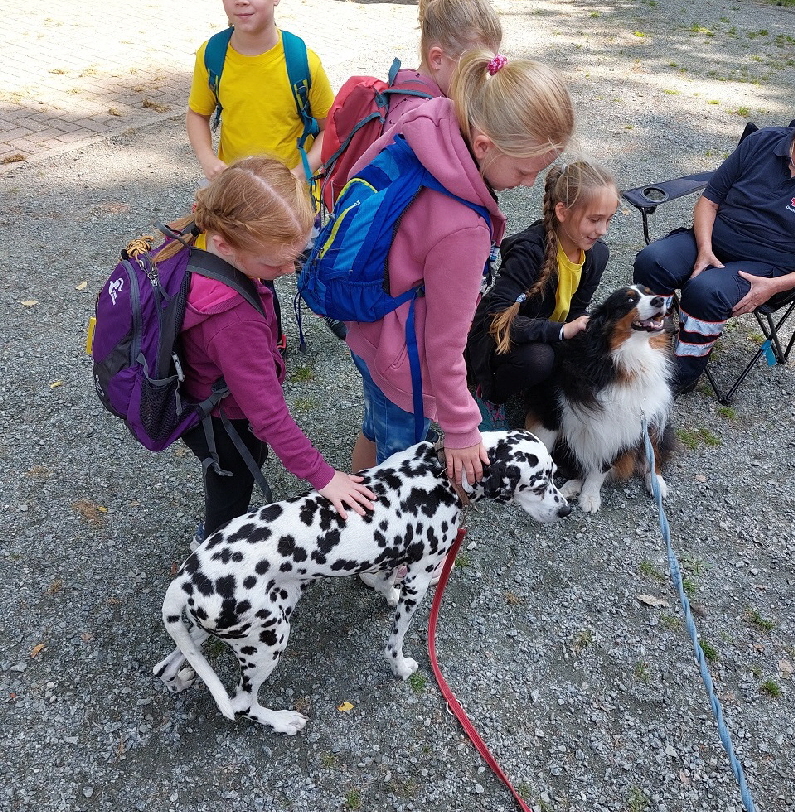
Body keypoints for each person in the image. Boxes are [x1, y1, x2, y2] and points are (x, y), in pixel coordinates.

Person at [346, 49, 575, 487]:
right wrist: (460, 427)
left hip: (366, 324)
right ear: (485, 144)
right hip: (404, 362)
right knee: (399, 484)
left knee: (375, 425)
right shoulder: (464, 228)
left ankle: (350, 507)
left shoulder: (426, 122)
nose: (529, 184)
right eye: (526, 170)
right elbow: (445, 343)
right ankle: (383, 550)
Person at [156, 157, 375, 549]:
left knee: (243, 461)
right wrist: (325, 477)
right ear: (226, 244)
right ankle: (212, 552)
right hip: (222, 415)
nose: (291, 270)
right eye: (277, 262)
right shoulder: (232, 322)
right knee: (233, 480)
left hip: (212, 395)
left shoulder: (202, 239)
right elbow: (270, 416)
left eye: (297, 255)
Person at [633, 59, 795, 395]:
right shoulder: (762, 143)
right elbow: (710, 199)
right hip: (714, 239)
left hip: (769, 266)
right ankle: (648, 345)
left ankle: (678, 375)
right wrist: (705, 247)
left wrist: (778, 284)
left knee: (705, 291)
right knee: (653, 260)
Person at [466, 161, 618, 416]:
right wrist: (560, 331)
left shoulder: (596, 255)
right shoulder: (529, 252)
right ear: (562, 211)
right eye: (594, 220)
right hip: (495, 341)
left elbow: (576, 309)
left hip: (543, 332)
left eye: (608, 220)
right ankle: (489, 394)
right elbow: (497, 318)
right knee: (539, 359)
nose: (602, 230)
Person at [186, 0, 334, 185]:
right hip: (235, 190)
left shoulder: (302, 62)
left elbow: (330, 127)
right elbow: (197, 114)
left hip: (290, 200)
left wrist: (299, 173)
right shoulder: (212, 55)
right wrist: (207, 159)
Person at [383, 0, 503, 133]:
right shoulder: (426, 119)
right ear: (437, 59)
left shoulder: (401, 85)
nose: (480, 83)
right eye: (475, 71)